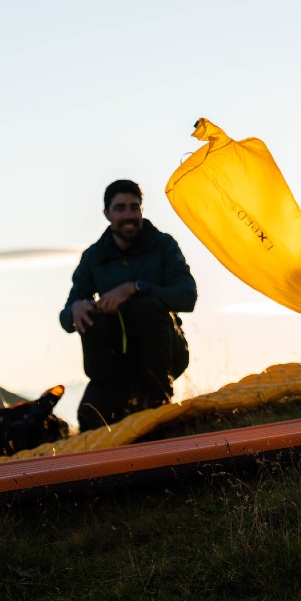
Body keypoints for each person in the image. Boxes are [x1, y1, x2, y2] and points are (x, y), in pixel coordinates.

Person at [60, 179, 198, 431]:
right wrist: (76, 309)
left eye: (134, 207)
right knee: (90, 419)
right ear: (107, 214)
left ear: (142, 210)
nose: (129, 215)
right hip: (116, 362)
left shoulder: (163, 245)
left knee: (145, 306)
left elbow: (187, 297)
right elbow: (66, 318)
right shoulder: (94, 256)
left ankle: (159, 399)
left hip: (163, 355)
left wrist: (135, 287)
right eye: (120, 208)